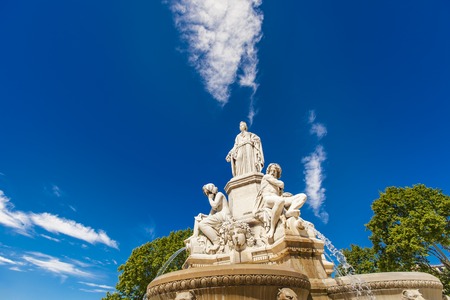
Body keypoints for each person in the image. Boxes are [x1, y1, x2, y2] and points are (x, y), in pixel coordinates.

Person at [253, 163, 307, 240]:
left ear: (277, 173)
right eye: (271, 170)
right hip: (268, 199)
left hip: (278, 199)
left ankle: (289, 212)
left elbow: (280, 193)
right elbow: (281, 184)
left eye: (275, 171)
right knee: (280, 201)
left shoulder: (277, 186)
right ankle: (272, 228)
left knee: (302, 196)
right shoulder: (266, 177)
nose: (272, 172)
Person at [197, 183, 232, 251]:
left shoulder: (219, 194)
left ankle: (217, 242)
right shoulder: (215, 199)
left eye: (208, 193)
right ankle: (194, 236)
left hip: (224, 215)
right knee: (200, 221)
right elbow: (211, 214)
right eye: (206, 194)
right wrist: (203, 216)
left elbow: (215, 205)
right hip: (220, 215)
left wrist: (210, 198)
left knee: (202, 224)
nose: (207, 195)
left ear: (211, 190)